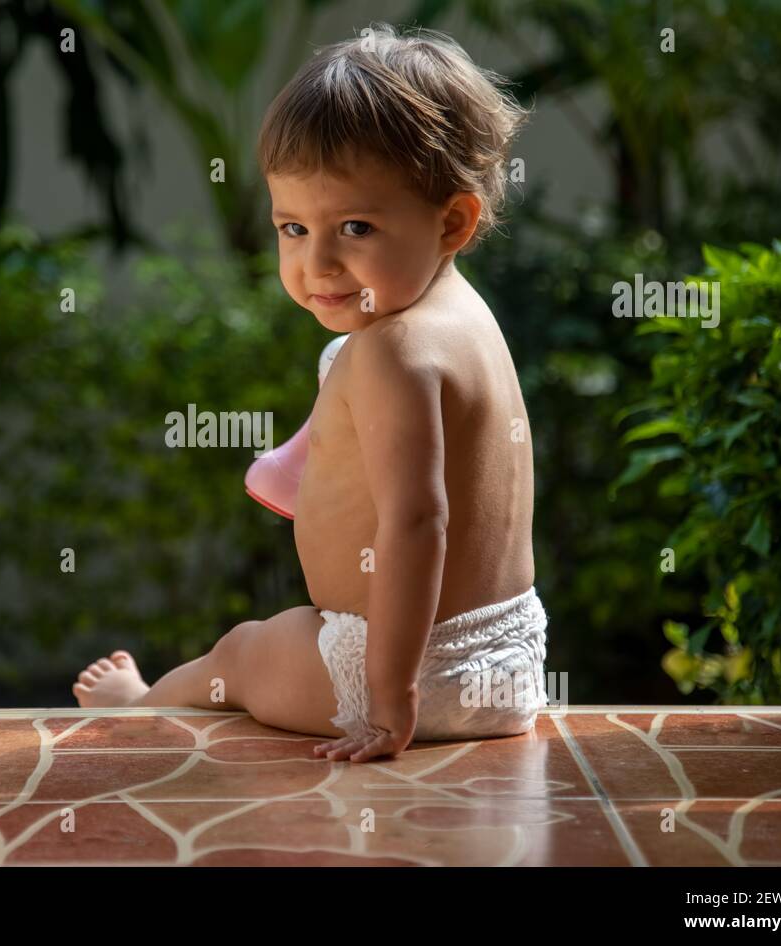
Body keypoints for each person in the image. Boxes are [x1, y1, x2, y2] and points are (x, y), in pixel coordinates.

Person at [73, 22, 547, 763]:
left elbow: (420, 522)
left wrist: (390, 704)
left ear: (452, 220)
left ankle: (142, 705)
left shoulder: (393, 350)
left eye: (354, 226)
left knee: (247, 650)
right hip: (508, 665)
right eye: (292, 227)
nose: (316, 261)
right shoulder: (466, 320)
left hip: (408, 673)